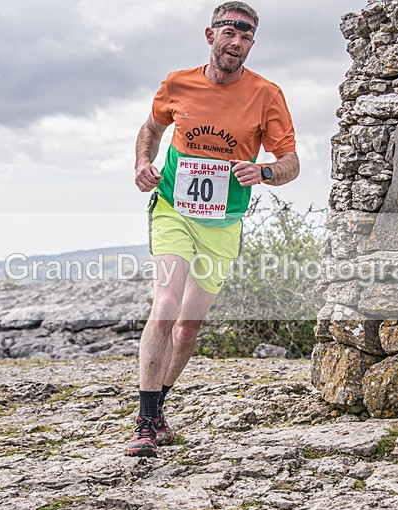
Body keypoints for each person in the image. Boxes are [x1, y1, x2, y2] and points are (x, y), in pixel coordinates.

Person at [126, 1, 300, 457]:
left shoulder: (267, 94)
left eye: (246, 38)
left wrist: (262, 173)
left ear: (251, 44)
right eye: (230, 34)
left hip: (223, 222)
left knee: (186, 329)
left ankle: (158, 407)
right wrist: (143, 163)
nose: (237, 44)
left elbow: (290, 164)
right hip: (173, 209)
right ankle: (144, 422)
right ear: (210, 35)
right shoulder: (177, 83)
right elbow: (150, 129)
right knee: (165, 303)